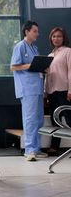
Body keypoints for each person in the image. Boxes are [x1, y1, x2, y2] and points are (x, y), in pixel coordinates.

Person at [10, 20, 47, 161]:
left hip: (37, 88)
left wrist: (42, 67)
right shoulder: (20, 47)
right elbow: (13, 67)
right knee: (30, 119)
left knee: (38, 120)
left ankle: (36, 149)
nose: (37, 34)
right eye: (35, 31)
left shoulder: (35, 48)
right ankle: (29, 150)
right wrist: (31, 65)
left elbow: (34, 66)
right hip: (27, 88)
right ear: (27, 32)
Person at [45, 27, 71, 155]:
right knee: (55, 119)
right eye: (54, 36)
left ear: (63, 38)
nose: (56, 38)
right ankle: (54, 147)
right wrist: (46, 92)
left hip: (65, 90)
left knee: (69, 119)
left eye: (59, 36)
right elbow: (48, 75)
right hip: (52, 91)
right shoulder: (50, 55)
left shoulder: (68, 52)